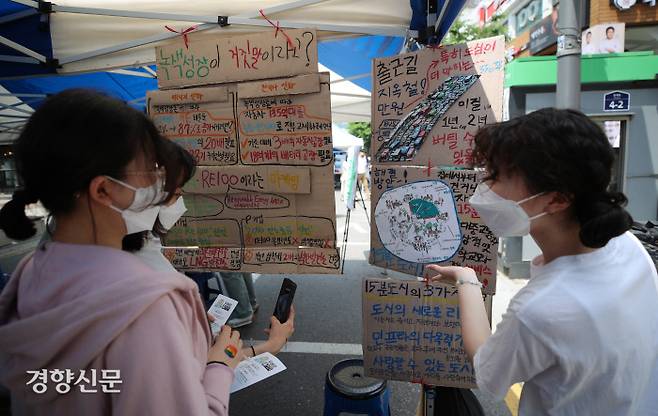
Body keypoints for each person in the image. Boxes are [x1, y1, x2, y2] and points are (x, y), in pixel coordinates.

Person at [0, 89, 242, 415]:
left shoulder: (30, 270)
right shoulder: (146, 304)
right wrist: (218, 366)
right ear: (103, 189)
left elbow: (66, 385)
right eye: (150, 168)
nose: (162, 180)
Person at [425, 108, 658, 415]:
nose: (484, 187)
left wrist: (467, 280)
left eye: (495, 176)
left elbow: (487, 369)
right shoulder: (625, 244)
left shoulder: (540, 309)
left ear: (557, 199)